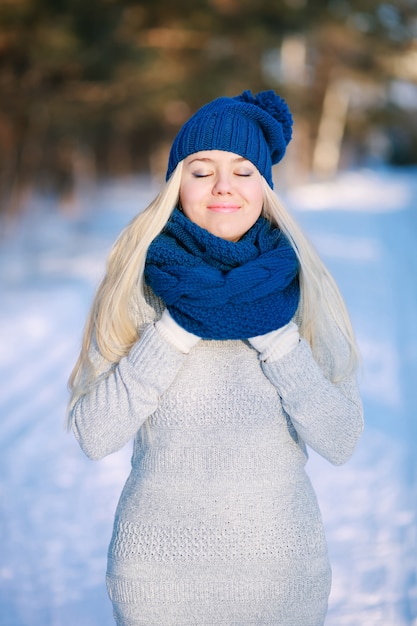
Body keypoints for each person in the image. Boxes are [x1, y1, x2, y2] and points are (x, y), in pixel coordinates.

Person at [67, 89, 364, 625]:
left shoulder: (306, 292)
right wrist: (177, 328)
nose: (223, 185)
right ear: (176, 185)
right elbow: (95, 434)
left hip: (282, 580)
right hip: (157, 583)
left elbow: (341, 439)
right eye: (201, 170)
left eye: (244, 170)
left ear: (266, 188)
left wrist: (277, 340)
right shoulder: (136, 287)